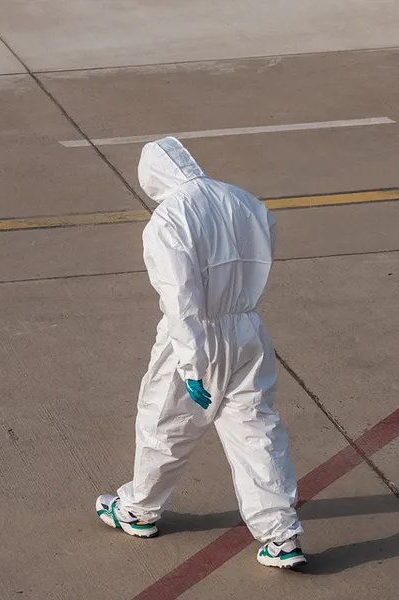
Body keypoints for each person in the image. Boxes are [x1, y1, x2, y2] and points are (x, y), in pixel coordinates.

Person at [95, 137, 306, 569]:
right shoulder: (244, 201)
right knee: (256, 431)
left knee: (165, 424)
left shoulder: (168, 219)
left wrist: (191, 363)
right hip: (248, 330)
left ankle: (139, 509)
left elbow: (180, 299)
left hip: (195, 339)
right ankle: (281, 535)